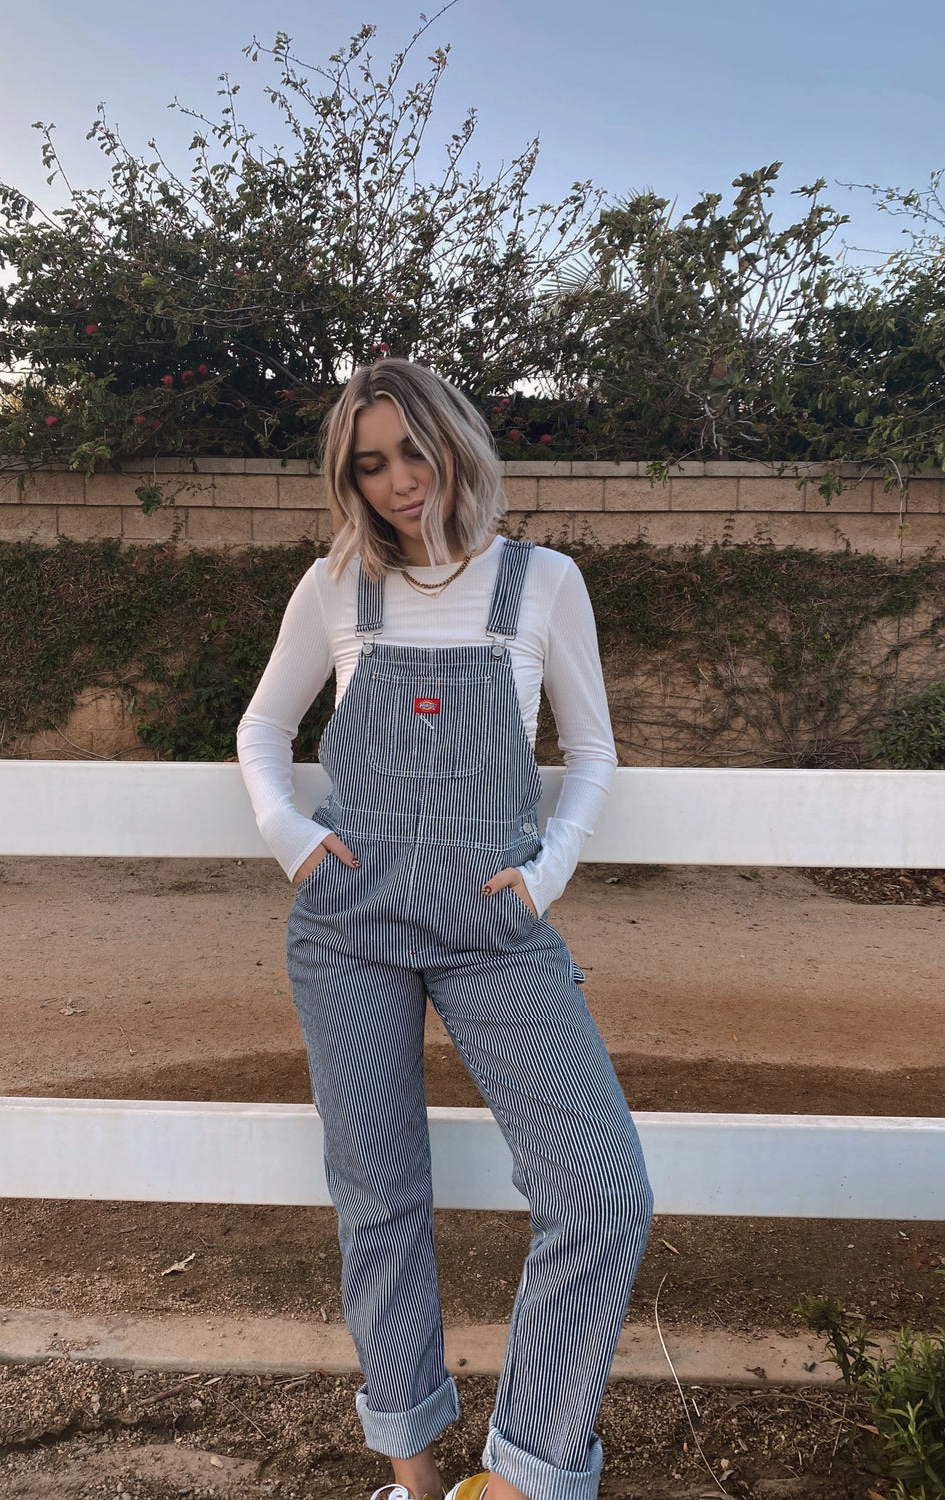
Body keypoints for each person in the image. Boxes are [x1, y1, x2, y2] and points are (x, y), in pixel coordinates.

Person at [237, 359, 653, 1500]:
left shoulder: (543, 582)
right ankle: (413, 1479)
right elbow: (264, 728)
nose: (398, 482)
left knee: (603, 1190)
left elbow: (592, 749)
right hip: (349, 926)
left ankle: (518, 1480)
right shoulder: (335, 586)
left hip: (491, 925)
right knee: (378, 1198)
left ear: (456, 444)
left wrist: (547, 874)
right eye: (370, 465)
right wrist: (291, 838)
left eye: (413, 452)